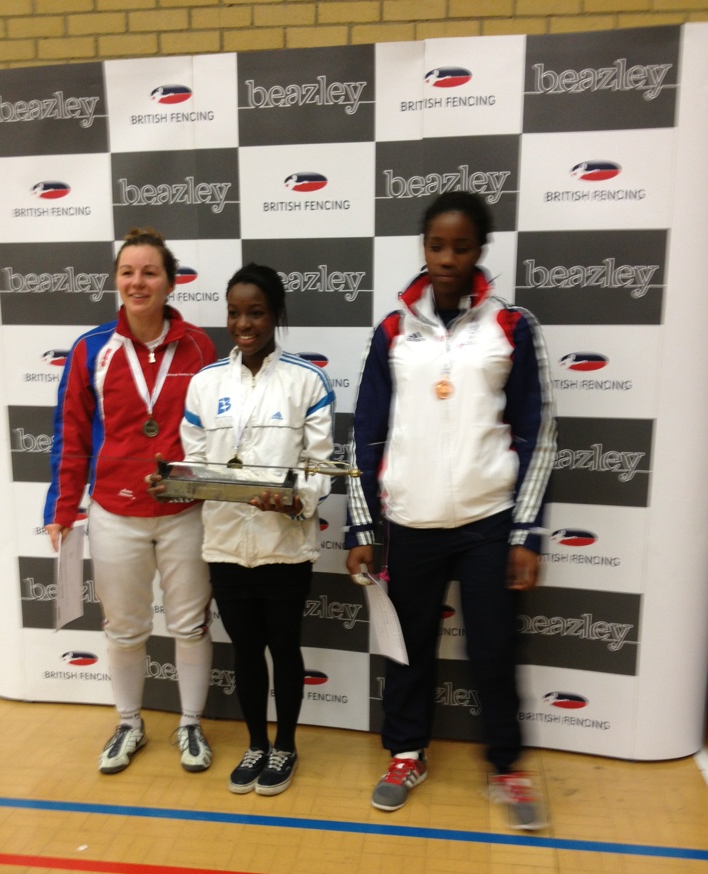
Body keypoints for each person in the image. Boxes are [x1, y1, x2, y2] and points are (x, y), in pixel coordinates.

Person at [344, 191, 557, 829]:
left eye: (460, 247)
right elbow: (365, 435)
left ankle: (506, 766)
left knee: (494, 648)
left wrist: (526, 532)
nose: (446, 258)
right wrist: (362, 524)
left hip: (489, 521)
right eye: (437, 246)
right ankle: (406, 754)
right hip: (411, 521)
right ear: (424, 248)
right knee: (408, 649)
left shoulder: (512, 326)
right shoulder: (393, 331)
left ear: (480, 251)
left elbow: (539, 433)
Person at [44, 227, 217, 775]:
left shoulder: (199, 347)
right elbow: (71, 434)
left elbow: (214, 432)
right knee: (123, 629)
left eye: (149, 272)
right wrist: (61, 509)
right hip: (114, 513)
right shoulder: (90, 349)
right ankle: (128, 722)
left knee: (190, 625)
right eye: (127, 272)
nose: (137, 282)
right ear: (116, 281)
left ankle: (190, 724)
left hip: (185, 511)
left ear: (170, 282)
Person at [179, 263, 335, 796]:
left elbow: (320, 466)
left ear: (276, 314)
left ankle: (285, 745)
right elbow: (195, 464)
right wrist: (176, 481)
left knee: (284, 648)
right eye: (234, 312)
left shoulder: (306, 381)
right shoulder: (204, 384)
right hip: (225, 543)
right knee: (245, 651)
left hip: (284, 544)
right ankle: (255, 744)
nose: (243, 324)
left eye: (256, 312)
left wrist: (294, 501)